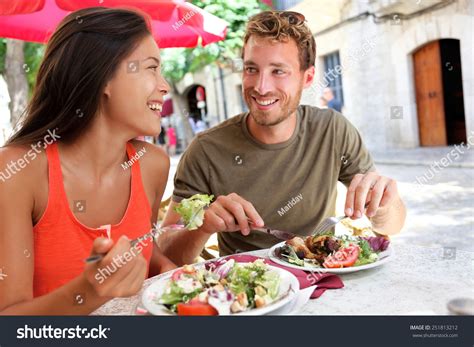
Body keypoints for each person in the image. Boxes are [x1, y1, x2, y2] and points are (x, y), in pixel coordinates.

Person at [158, 10, 406, 266]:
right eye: (251, 69)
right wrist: (203, 226)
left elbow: (394, 226)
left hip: (321, 282)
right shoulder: (206, 149)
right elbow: (165, 252)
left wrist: (386, 204)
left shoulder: (333, 130)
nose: (261, 87)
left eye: (278, 71)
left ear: (307, 77)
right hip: (245, 295)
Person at [0, 7, 176, 315]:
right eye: (151, 68)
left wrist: (178, 276)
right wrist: (88, 291)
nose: (164, 86)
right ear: (102, 78)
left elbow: (148, 251)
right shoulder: (18, 172)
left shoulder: (153, 165)